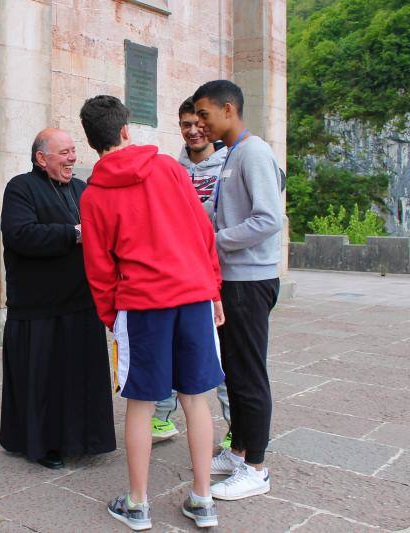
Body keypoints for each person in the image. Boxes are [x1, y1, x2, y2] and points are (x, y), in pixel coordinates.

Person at [79, 95, 224, 530]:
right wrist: (213, 289)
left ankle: (138, 503)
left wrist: (109, 315)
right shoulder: (167, 168)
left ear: (93, 141)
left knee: (141, 404)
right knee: (196, 399)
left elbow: (99, 267)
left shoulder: (92, 194)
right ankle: (202, 499)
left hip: (142, 304)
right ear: (126, 129)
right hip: (193, 295)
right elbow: (203, 231)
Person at [0, 128, 116, 470]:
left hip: (81, 302)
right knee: (45, 382)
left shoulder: (82, 189)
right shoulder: (20, 188)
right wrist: (75, 234)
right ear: (41, 158)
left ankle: (85, 439)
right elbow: (20, 235)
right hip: (40, 307)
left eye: (73, 151)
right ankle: (44, 444)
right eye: (64, 152)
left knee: (80, 377)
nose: (72, 158)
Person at [192, 80, 282, 501]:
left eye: (205, 114)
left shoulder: (255, 152)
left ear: (229, 109)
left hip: (250, 281)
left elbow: (268, 219)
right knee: (233, 372)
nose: (200, 124)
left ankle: (257, 467)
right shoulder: (230, 155)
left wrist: (214, 239)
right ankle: (238, 448)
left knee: (248, 375)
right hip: (230, 281)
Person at [151, 98, 232, 447]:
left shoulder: (230, 163)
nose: (193, 129)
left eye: (199, 122)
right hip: (181, 275)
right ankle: (162, 418)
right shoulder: (170, 169)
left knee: (226, 352)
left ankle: (236, 427)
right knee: (171, 347)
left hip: (223, 271)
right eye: (186, 123)